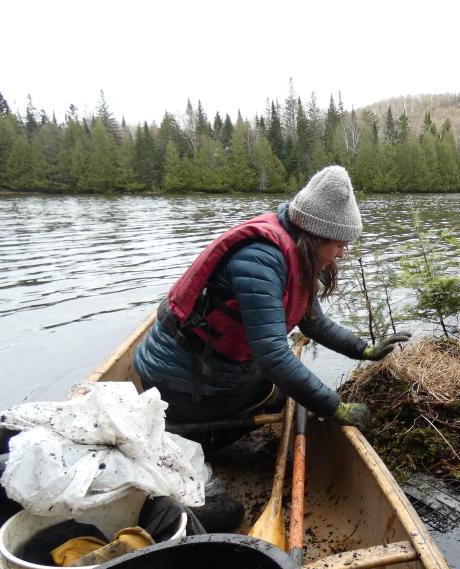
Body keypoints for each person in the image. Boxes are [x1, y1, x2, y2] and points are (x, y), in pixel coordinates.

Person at [134, 165, 410, 457]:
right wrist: (334, 407)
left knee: (286, 390)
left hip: (208, 367)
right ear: (318, 235)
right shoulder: (260, 260)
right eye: (339, 244)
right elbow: (274, 357)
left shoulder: (295, 249)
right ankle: (202, 443)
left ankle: (216, 437)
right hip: (175, 384)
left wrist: (364, 351)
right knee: (278, 395)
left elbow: (314, 323)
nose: (341, 253)